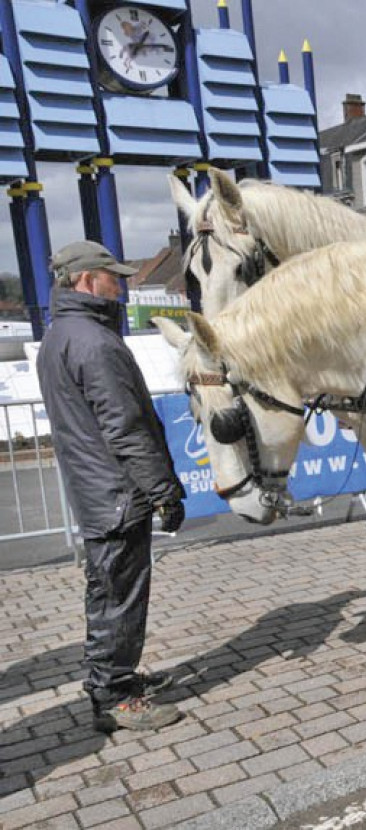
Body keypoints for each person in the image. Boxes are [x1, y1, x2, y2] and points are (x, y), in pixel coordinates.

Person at [36, 239, 186, 733]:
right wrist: (163, 489)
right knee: (118, 596)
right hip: (117, 493)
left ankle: (115, 680)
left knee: (109, 592)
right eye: (112, 276)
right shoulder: (94, 342)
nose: (121, 285)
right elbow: (124, 427)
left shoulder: (61, 334)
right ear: (85, 280)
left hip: (97, 490)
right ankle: (115, 695)